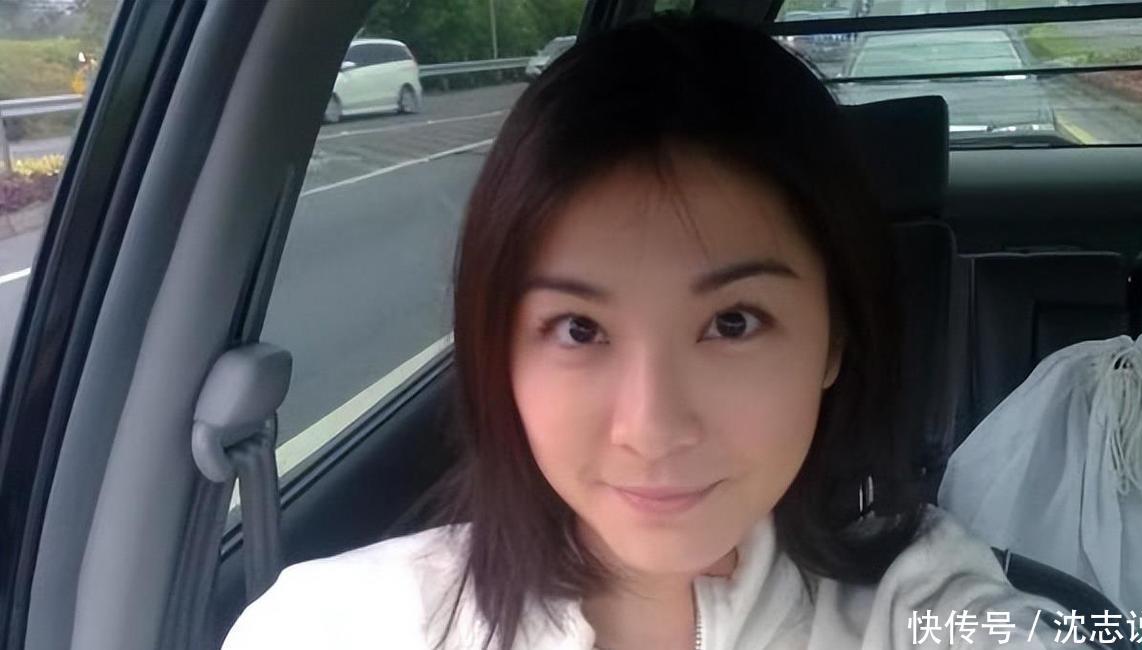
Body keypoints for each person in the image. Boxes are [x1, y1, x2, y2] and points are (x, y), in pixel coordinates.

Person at [223, 14, 1058, 650]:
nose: (651, 430)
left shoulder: (917, 604)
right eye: (579, 329)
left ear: (834, 339)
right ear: (499, 351)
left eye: (732, 323)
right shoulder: (335, 625)